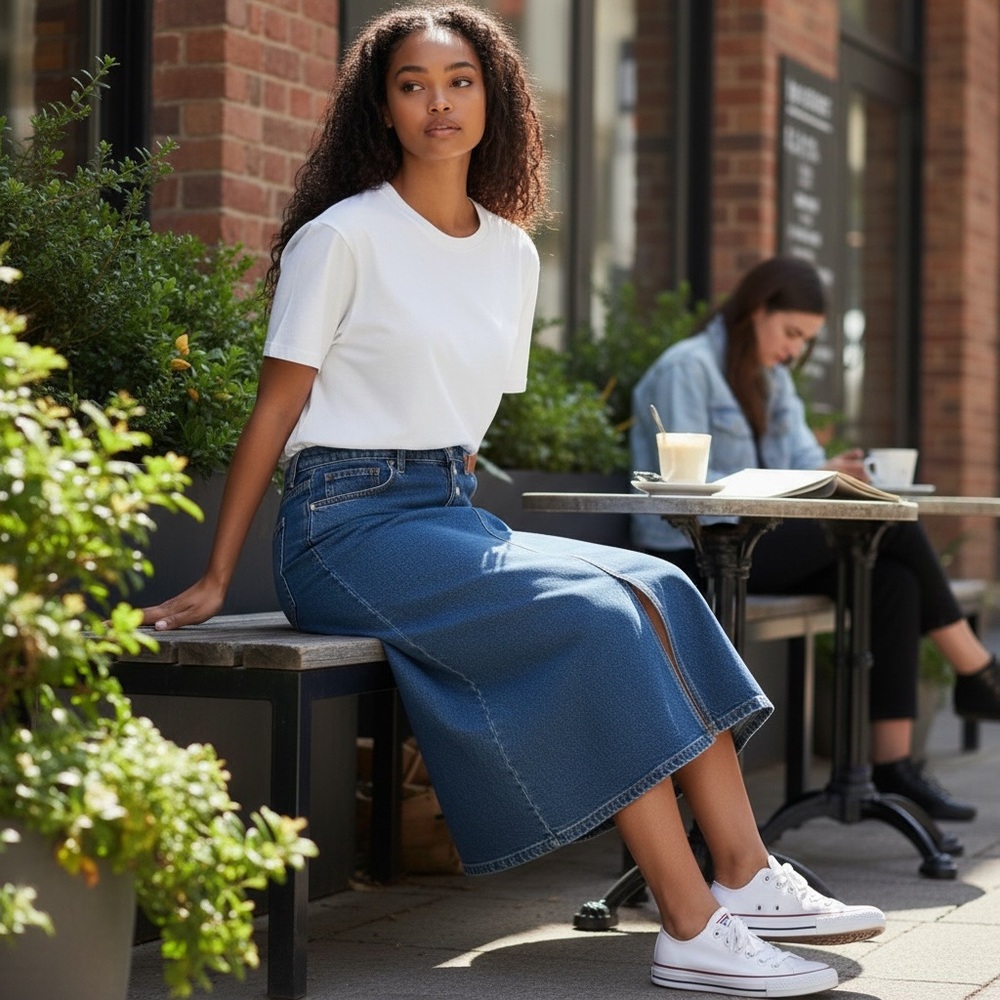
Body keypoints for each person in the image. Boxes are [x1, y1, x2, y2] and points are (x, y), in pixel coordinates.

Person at [142, 9, 885, 994]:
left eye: (459, 82)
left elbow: (465, 420)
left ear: (495, 99)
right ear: (384, 106)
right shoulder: (343, 236)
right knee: (595, 617)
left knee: (659, 589)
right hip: (342, 529)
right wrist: (217, 574)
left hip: (446, 509)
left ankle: (743, 875)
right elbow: (274, 412)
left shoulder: (511, 252)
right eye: (412, 84)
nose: (438, 103)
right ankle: (689, 923)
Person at [631, 254, 1000, 824]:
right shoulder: (687, 368)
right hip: (694, 550)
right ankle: (976, 671)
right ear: (757, 312)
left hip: (759, 542)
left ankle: (892, 766)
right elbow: (692, 491)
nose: (795, 350)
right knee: (886, 526)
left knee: (890, 573)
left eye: (805, 340)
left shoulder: (772, 380)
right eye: (791, 333)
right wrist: (809, 477)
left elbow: (804, 464)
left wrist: (832, 469)